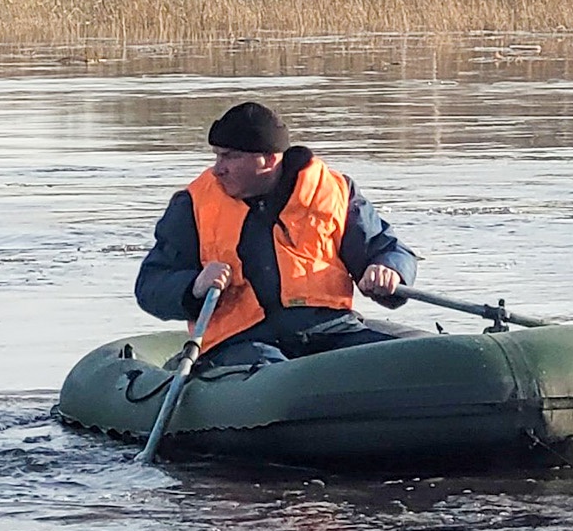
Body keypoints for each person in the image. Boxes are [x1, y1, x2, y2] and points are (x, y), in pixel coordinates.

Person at [135, 101, 418, 368]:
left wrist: (388, 268)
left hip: (330, 331)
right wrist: (194, 286)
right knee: (271, 368)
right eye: (217, 156)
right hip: (240, 342)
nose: (218, 169)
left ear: (269, 160)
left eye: (230, 157)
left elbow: (384, 247)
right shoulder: (193, 204)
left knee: (404, 360)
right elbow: (151, 284)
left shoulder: (334, 192)